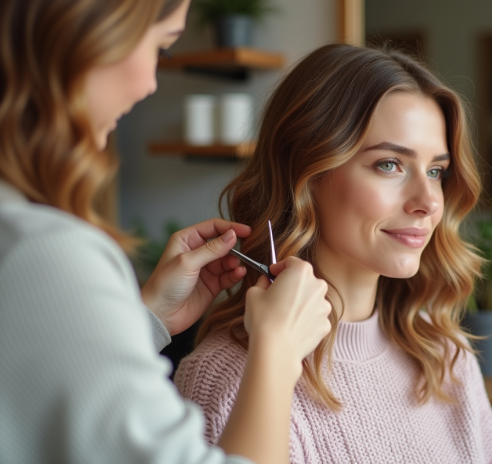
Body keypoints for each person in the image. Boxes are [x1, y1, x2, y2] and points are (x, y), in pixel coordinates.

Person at [0, 1, 331, 463]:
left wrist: (147, 318)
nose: (152, 84)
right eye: (162, 47)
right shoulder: (42, 252)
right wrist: (278, 351)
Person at [175, 44, 492, 463]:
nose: (429, 201)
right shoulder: (225, 374)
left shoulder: (444, 353)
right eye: (389, 164)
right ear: (308, 175)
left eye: (436, 171)